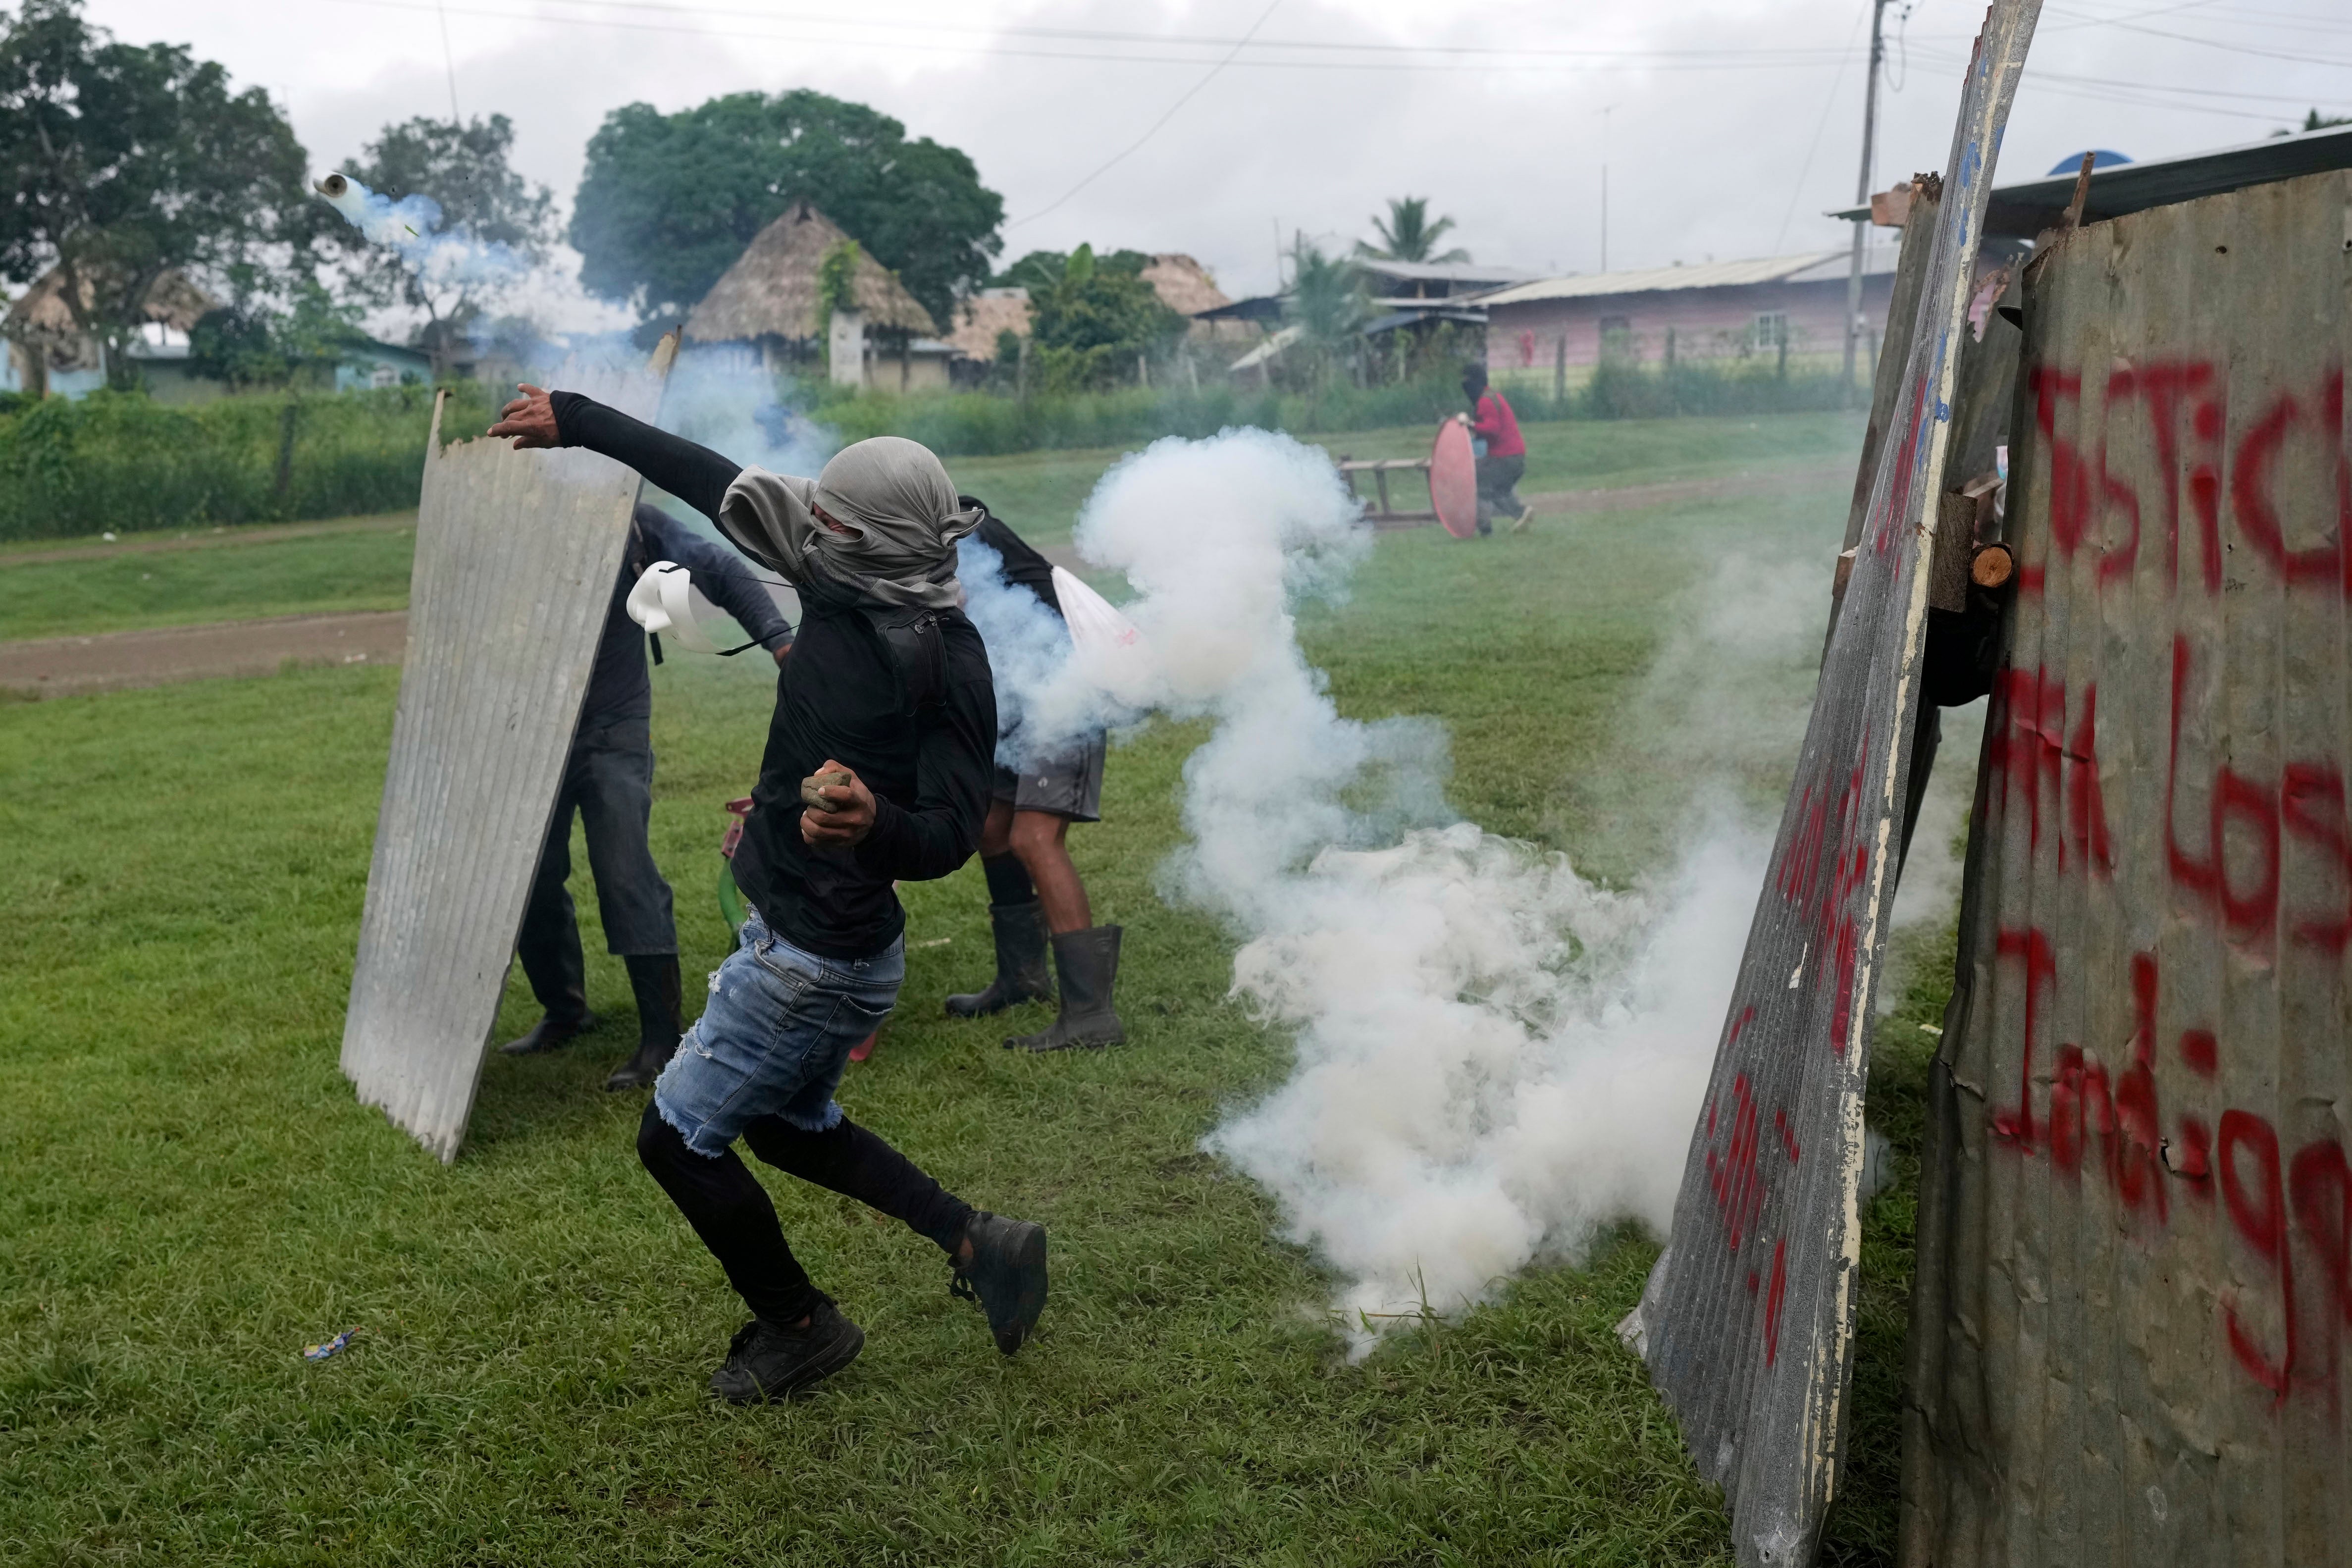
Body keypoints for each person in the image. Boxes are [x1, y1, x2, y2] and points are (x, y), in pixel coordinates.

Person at [487, 384, 1048, 1402]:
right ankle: (979, 1240)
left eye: (829, 518)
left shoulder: (945, 659)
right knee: (789, 1126)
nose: (810, 526)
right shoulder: (834, 560)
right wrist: (575, 416)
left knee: (674, 1139)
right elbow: (713, 480)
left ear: (876, 541)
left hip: (819, 954)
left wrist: (874, 820)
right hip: (801, 932)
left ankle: (801, 1325)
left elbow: (952, 837)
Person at [501, 504, 794, 1093]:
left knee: (624, 870)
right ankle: (566, 1009)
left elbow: (722, 569)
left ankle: (661, 1039)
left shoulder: (633, 522)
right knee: (532, 874)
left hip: (613, 727)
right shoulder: (512, 521)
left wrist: (782, 644)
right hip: (528, 730)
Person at [943, 498, 1126, 1052]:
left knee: (1034, 836)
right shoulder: (926, 528)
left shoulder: (955, 533)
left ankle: (1091, 1015)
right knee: (992, 829)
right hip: (1015, 689)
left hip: (1063, 684)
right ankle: (1022, 978)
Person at [1460, 363, 1531, 535]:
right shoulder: (1494, 396)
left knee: (1478, 485)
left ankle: (1485, 529)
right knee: (1499, 491)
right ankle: (1521, 514)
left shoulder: (1486, 401)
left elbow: (1492, 429)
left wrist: (1470, 424)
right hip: (1515, 457)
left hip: (1505, 458)